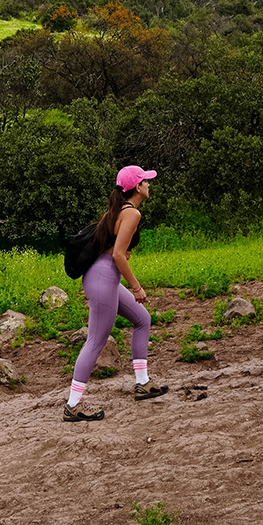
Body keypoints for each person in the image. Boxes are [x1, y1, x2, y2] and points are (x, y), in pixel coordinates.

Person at [64, 165, 168, 421]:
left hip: (103, 277)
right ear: (137, 187)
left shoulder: (118, 210)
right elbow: (119, 254)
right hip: (104, 278)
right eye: (145, 181)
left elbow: (112, 249)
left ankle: (142, 383)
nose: (149, 185)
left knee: (143, 319)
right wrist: (137, 287)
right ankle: (73, 405)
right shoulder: (132, 213)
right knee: (96, 341)